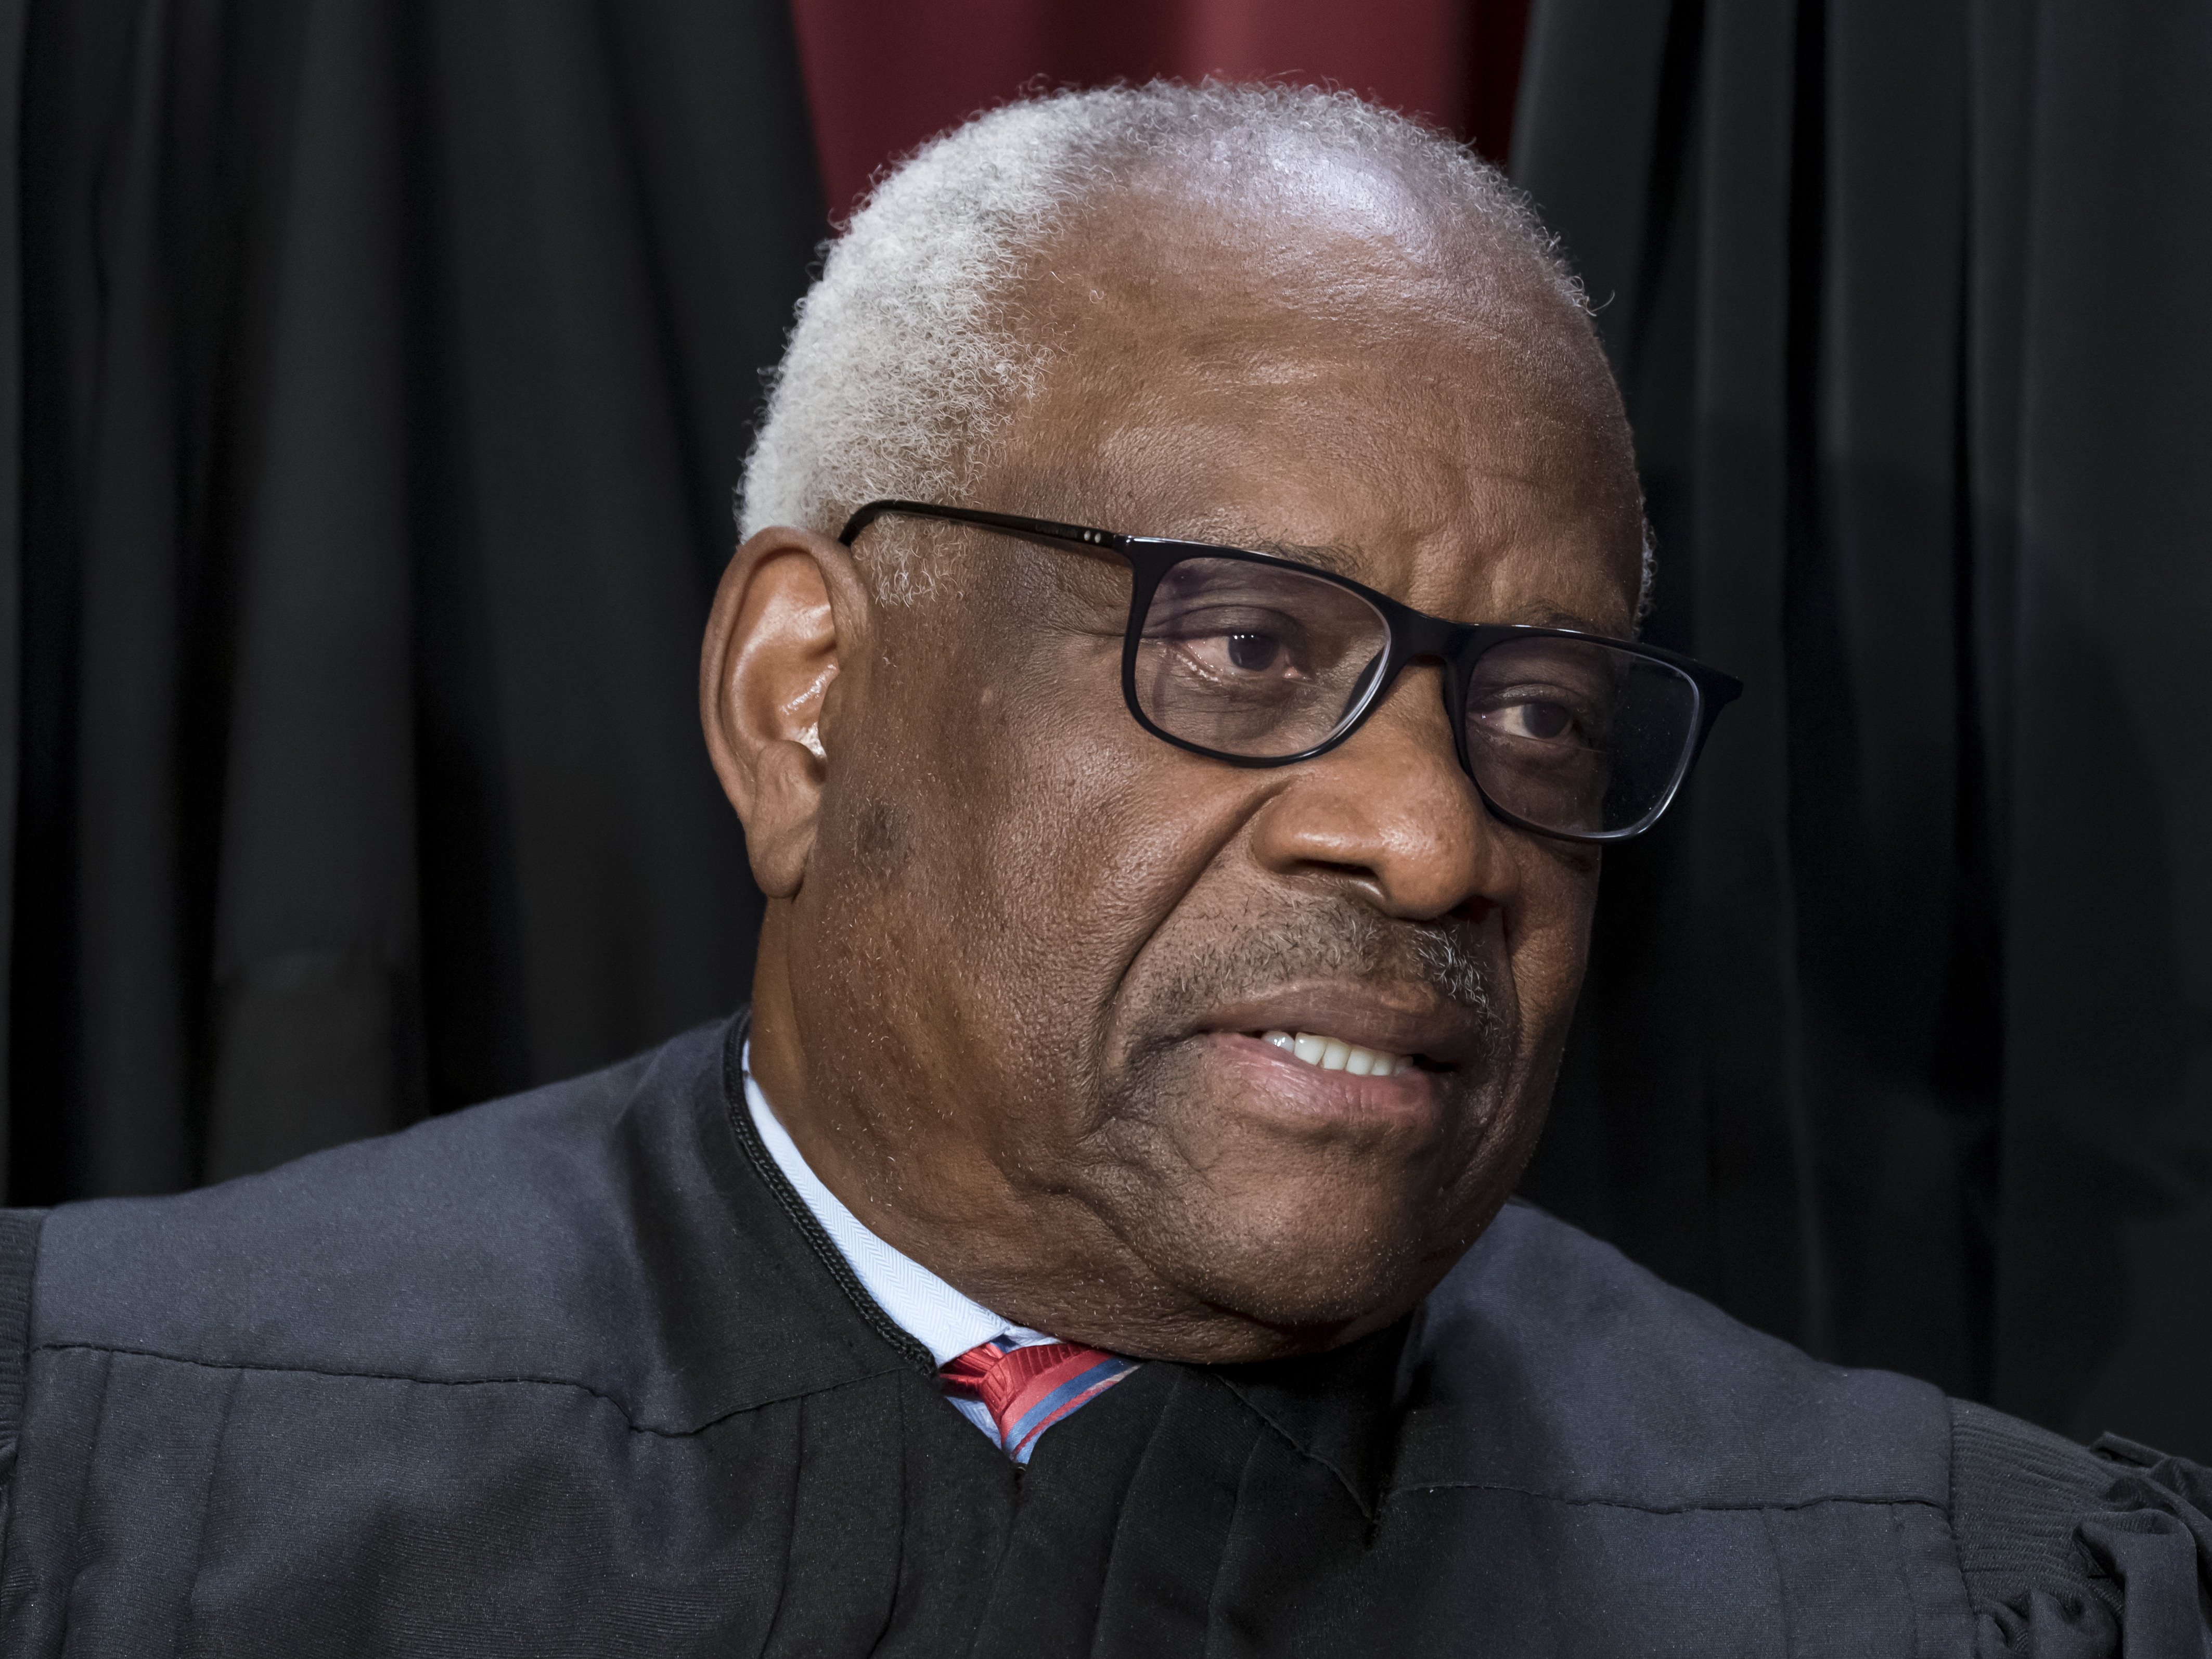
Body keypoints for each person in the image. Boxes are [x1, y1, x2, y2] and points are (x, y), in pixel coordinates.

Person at [0, 83, 2204, 1657]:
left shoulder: (1906, 1589)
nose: (1434, 839)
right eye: (1243, 647)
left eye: (1536, 714)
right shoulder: (116, 1468)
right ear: (802, 697)